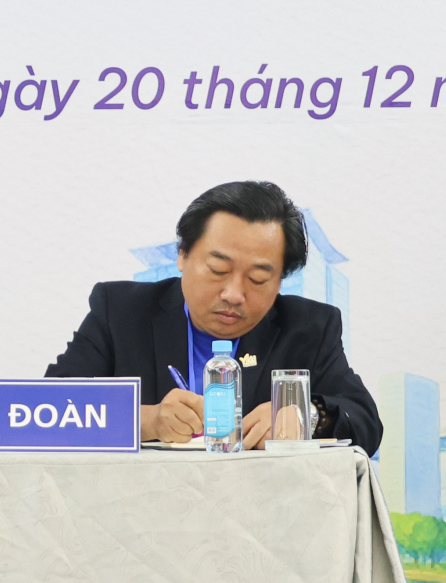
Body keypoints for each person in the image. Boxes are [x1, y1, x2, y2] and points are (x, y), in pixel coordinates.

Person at [45, 180, 381, 453]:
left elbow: (365, 420)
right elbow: (49, 410)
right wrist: (147, 420)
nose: (234, 294)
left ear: (280, 280)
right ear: (183, 255)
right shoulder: (121, 311)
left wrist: (306, 416)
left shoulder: (309, 327)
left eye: (258, 279)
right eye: (218, 269)